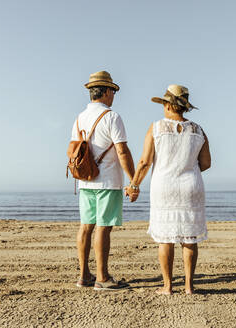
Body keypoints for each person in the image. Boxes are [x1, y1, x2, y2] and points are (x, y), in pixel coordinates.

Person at [125, 84, 211, 295]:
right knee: (189, 238)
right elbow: (206, 163)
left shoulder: (156, 128)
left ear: (168, 105)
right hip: (191, 186)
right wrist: (187, 166)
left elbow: (145, 162)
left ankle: (167, 286)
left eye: (164, 103)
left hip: (164, 187)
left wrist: (134, 185)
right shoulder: (198, 130)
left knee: (166, 238)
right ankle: (189, 286)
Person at [72, 71, 135, 290]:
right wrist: (133, 180)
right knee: (103, 228)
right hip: (108, 180)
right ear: (107, 92)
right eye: (113, 91)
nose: (114, 96)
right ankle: (102, 277)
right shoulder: (111, 117)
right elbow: (122, 151)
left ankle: (84, 276)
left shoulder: (79, 117)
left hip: (85, 180)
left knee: (86, 227)